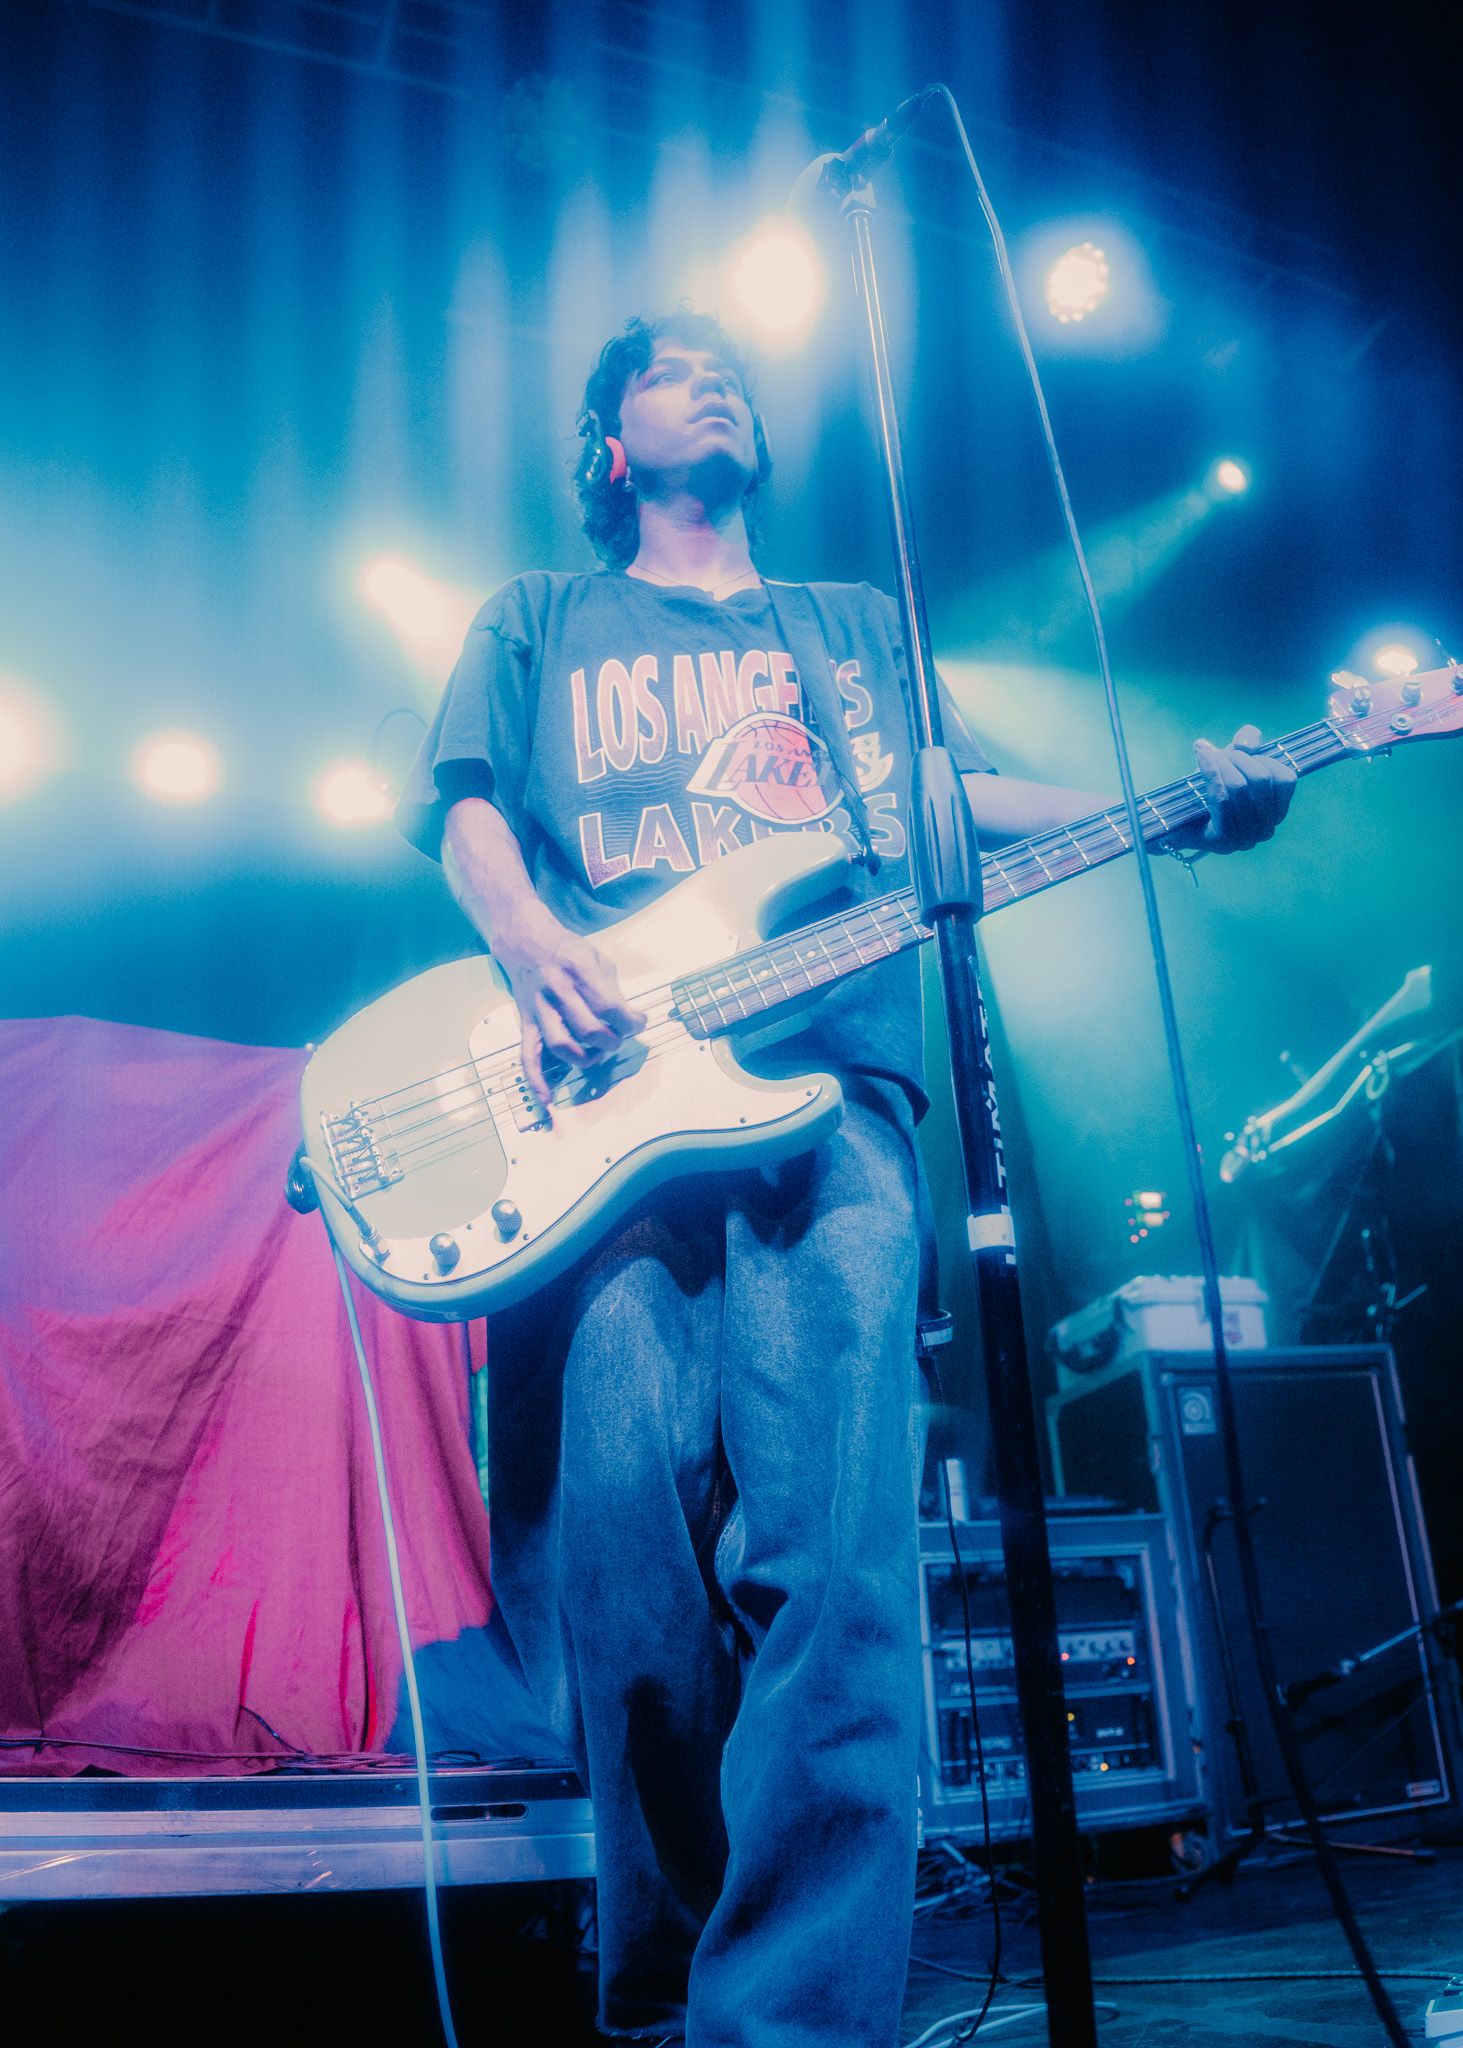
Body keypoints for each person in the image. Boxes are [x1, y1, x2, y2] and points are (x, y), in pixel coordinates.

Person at [396, 310, 1295, 2048]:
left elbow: (946, 798)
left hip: (831, 1101)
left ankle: (795, 2026)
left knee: (835, 1578)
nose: (718, 375)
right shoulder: (540, 615)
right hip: (602, 1126)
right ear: (610, 443)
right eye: (672, 366)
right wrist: (527, 945)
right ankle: (662, 2006)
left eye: (731, 363)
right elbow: (467, 807)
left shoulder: (850, 628)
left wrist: (1178, 802)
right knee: (628, 1587)